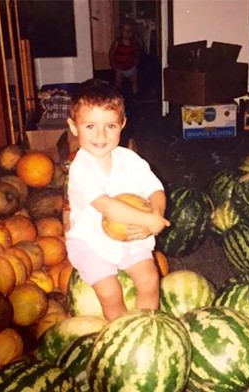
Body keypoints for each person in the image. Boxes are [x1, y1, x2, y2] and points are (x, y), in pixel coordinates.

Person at [65, 79, 170, 321]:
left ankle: (145, 326)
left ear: (122, 124)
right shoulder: (81, 168)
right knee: (111, 292)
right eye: (90, 126)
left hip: (132, 235)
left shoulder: (130, 159)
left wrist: (155, 215)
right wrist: (148, 219)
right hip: (91, 243)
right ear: (73, 126)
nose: (101, 135)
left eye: (110, 125)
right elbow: (107, 206)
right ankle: (120, 330)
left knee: (150, 280)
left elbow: (155, 189)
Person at [109, 18, 140, 95]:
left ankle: (135, 95)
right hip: (120, 67)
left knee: (134, 82)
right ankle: (116, 95)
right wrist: (112, 62)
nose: (127, 33)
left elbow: (137, 52)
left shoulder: (134, 43)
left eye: (130, 31)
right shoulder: (117, 42)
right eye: (125, 31)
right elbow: (111, 52)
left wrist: (136, 59)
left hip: (131, 67)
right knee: (118, 82)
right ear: (121, 31)